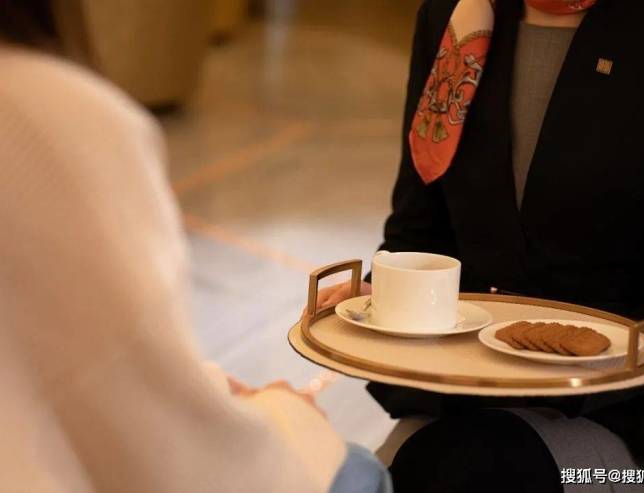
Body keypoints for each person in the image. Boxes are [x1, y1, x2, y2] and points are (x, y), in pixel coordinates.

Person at [316, 0, 644, 491]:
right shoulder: (454, 16)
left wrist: (581, 362)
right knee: (362, 478)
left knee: (456, 470)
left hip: (632, 420)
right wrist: (382, 296)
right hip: (462, 396)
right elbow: (418, 232)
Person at [0, 2, 391, 492]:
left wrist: (204, 384)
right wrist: (289, 416)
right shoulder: (47, 116)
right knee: (358, 470)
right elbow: (168, 454)